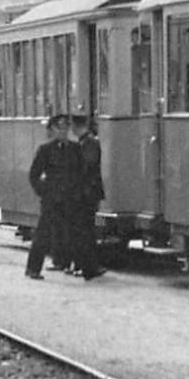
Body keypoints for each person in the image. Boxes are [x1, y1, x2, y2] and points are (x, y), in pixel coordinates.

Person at [25, 114, 82, 280]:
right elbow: (34, 175)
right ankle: (33, 269)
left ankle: (69, 264)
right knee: (43, 234)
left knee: (72, 232)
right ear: (52, 131)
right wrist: (44, 191)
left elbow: (81, 172)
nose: (63, 131)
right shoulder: (45, 150)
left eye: (66, 127)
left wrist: (79, 193)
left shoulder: (75, 149)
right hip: (52, 198)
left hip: (70, 198)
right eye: (59, 128)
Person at [70, 113, 106, 280]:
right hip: (84, 193)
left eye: (73, 127)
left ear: (79, 127)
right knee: (83, 230)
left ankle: (86, 265)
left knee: (86, 230)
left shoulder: (90, 142)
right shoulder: (85, 142)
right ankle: (83, 265)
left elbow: (88, 165)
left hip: (87, 194)